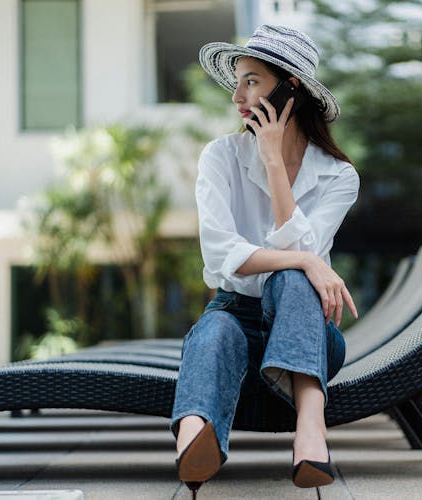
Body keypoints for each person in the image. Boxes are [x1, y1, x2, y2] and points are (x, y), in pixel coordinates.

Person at [171, 24, 360, 497]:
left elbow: (298, 261)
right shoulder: (221, 157)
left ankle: (310, 428)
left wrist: (274, 163)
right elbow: (218, 254)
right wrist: (309, 260)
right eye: (237, 81)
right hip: (234, 312)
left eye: (251, 81)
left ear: (289, 89)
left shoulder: (339, 177)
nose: (237, 95)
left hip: (309, 337)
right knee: (213, 330)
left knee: (294, 279)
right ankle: (195, 438)